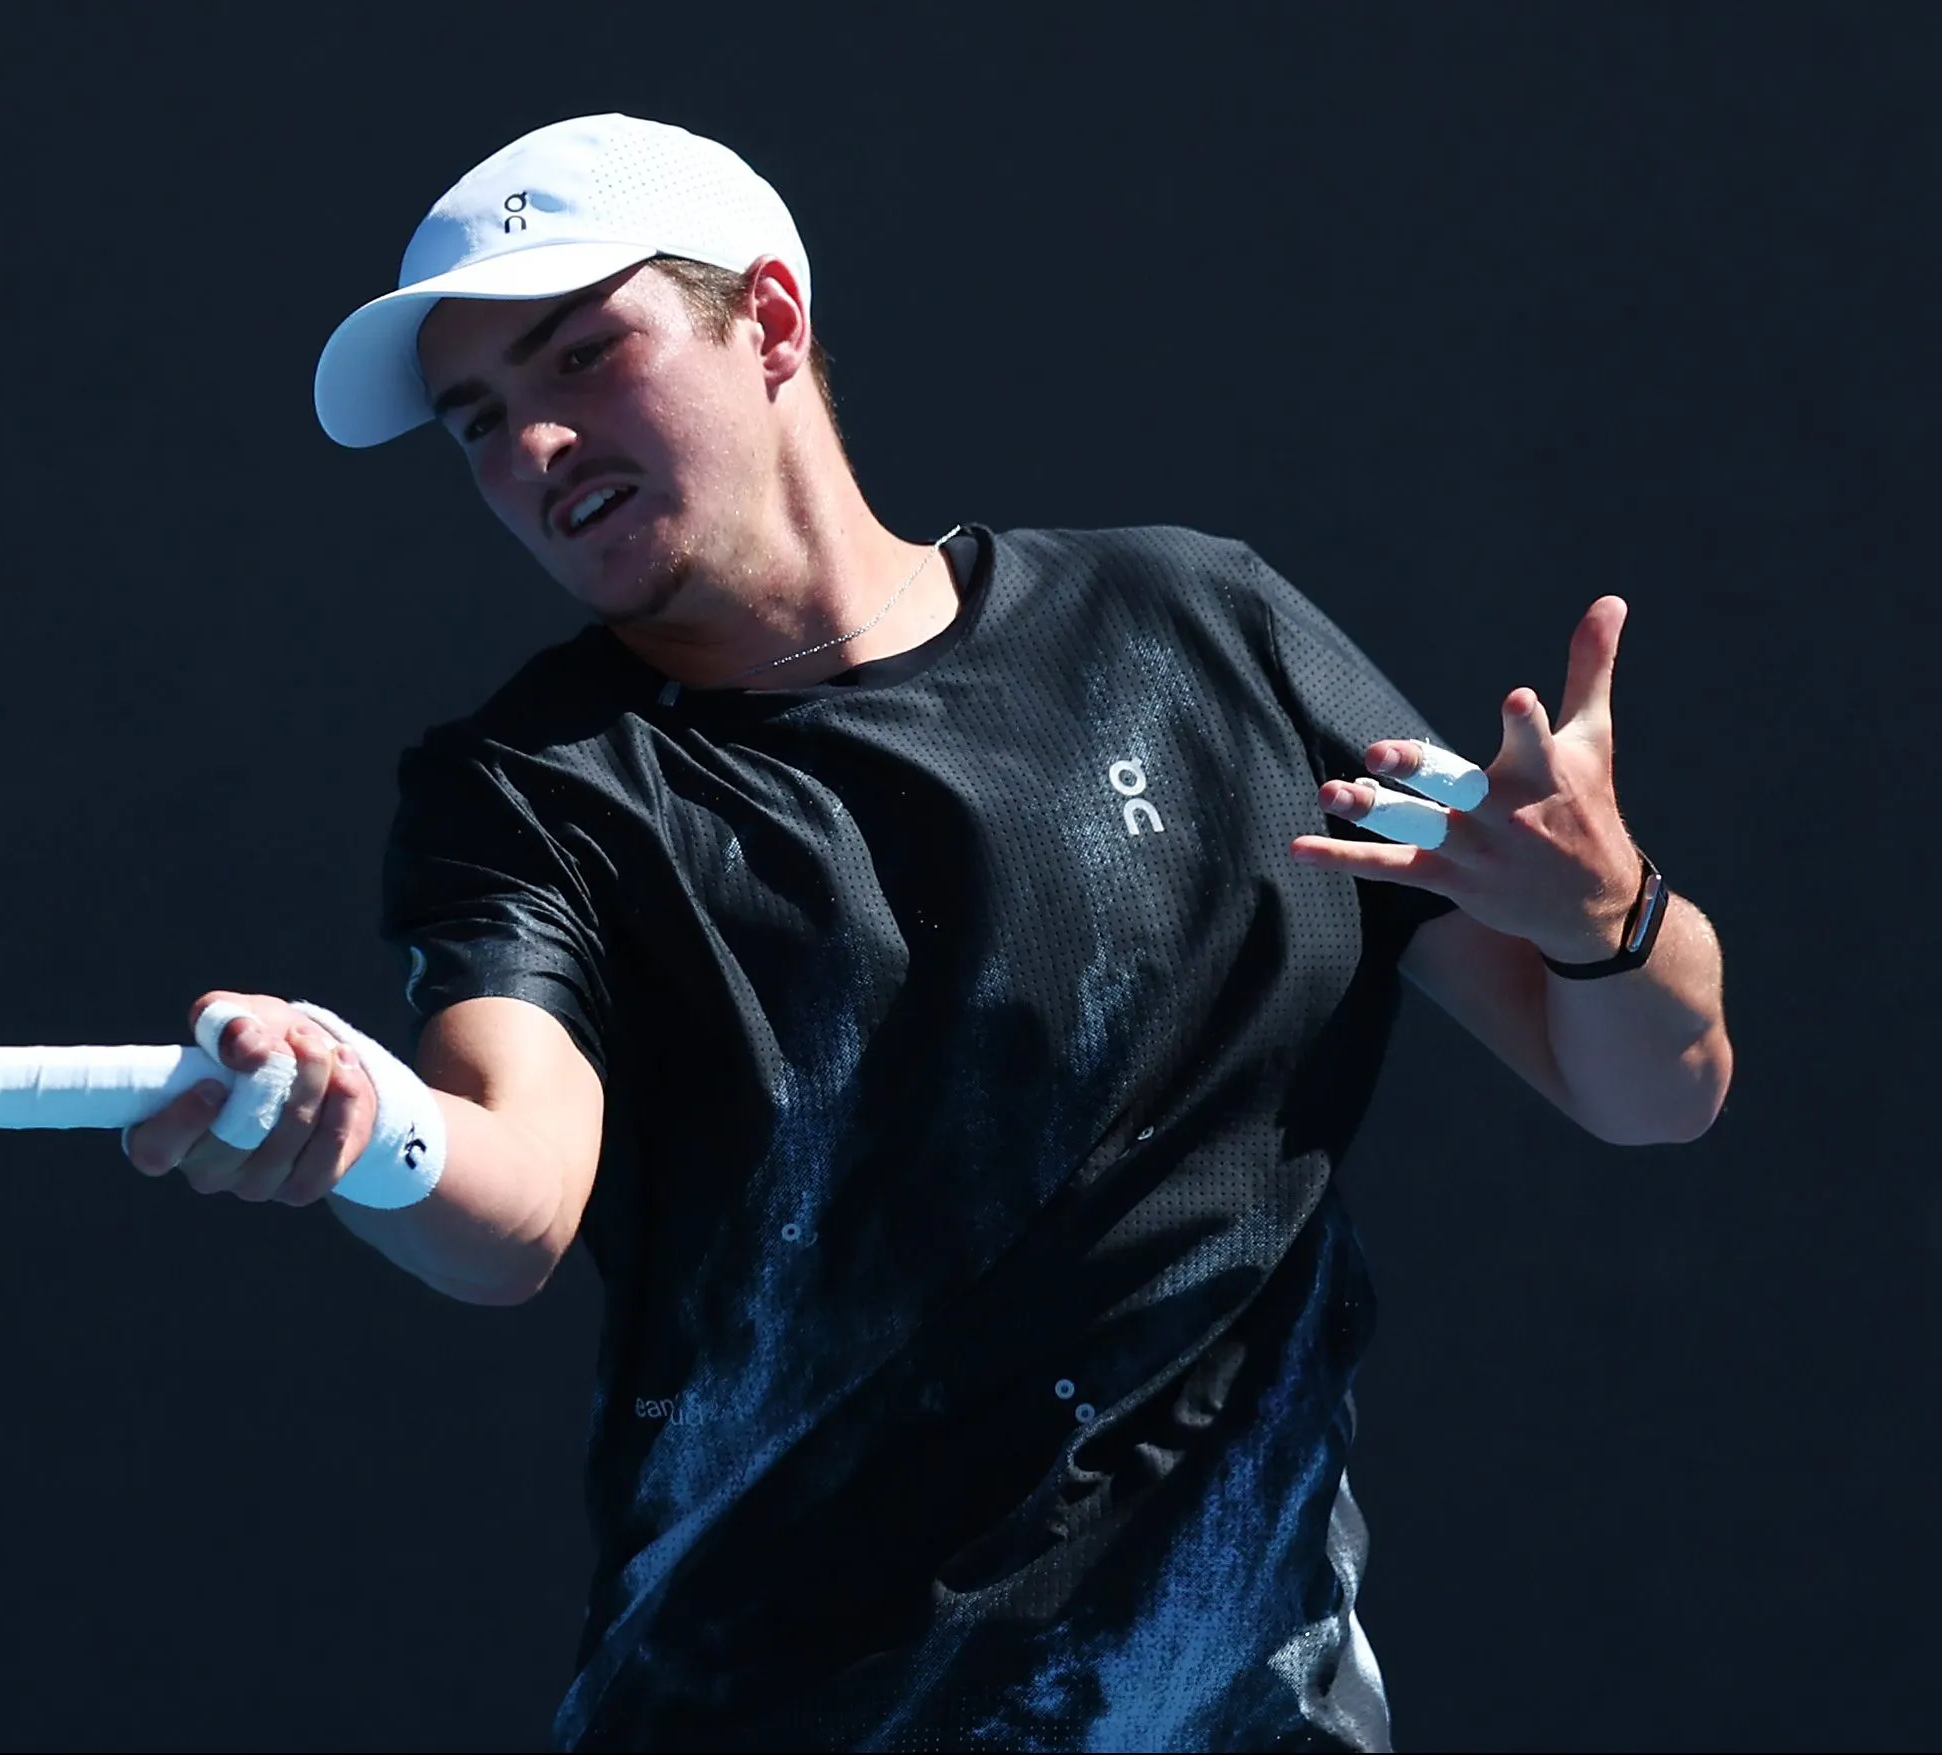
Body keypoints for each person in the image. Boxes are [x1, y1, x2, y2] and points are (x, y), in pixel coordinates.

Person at [121, 114, 1731, 1751]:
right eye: (478, 421)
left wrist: (1611, 920)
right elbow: (513, 1191)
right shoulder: (531, 792)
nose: (531, 444)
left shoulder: (1201, 629)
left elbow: (1653, 1086)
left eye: (583, 355)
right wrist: (363, 1126)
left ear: (770, 319)